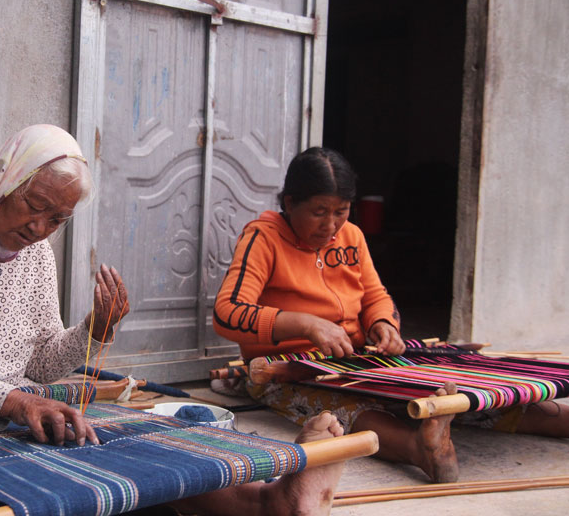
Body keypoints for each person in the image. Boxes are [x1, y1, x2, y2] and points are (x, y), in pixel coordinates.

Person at [0, 125, 350, 516]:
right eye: (35, 207)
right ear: (6, 177)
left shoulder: (36, 252)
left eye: (57, 220)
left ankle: (268, 501)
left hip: (5, 425)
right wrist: (13, 401)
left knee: (112, 465)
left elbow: (41, 361)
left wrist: (94, 330)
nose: (40, 229)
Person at [212, 146, 569, 484]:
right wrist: (304, 323)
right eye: (319, 212)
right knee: (343, 410)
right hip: (286, 367)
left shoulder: (351, 236)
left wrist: (383, 324)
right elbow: (228, 313)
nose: (331, 225)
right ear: (290, 203)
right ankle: (419, 447)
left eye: (341, 211)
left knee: (455, 392)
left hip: (356, 359)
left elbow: (375, 295)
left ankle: (555, 420)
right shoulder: (264, 237)